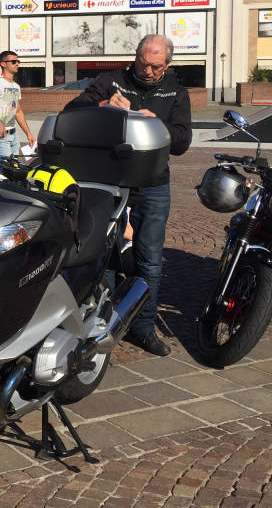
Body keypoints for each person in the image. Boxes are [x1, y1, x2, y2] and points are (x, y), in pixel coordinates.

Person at [65, 34, 191, 356]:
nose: (147, 71)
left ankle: (143, 327)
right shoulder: (111, 80)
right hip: (109, 180)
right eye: (142, 63)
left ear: (168, 64)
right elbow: (72, 111)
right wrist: (103, 105)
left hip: (153, 182)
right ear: (135, 56)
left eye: (156, 66)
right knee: (102, 252)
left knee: (150, 257)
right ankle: (101, 321)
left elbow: (181, 141)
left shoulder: (175, 91)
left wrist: (157, 123)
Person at [0, 51, 36, 157]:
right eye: (13, 61)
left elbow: (18, 111)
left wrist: (28, 134)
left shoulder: (16, 86)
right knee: (3, 170)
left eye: (18, 61)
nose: (17, 64)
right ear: (3, 64)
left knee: (13, 169)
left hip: (13, 135)